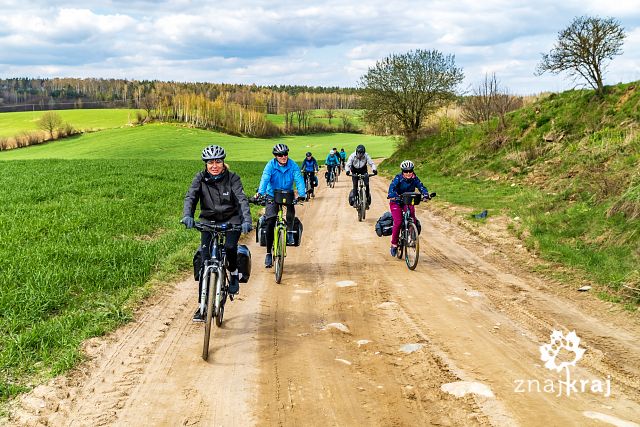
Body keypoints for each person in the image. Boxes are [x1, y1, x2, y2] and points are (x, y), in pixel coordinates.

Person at [181, 145, 253, 322]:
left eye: (218, 162)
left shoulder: (233, 178)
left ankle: (234, 273)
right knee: (205, 261)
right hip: (208, 220)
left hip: (231, 220)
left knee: (230, 247)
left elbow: (242, 200)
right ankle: (202, 306)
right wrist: (187, 216)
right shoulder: (200, 178)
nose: (214, 165)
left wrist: (246, 221)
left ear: (223, 162)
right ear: (206, 164)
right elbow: (191, 197)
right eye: (210, 162)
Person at [256, 143, 306, 267]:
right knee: (270, 220)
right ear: (275, 156)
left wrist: (302, 194)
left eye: (285, 154)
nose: (283, 157)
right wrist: (260, 193)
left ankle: (289, 233)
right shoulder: (270, 165)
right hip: (272, 194)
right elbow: (265, 178)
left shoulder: (293, 165)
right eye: (280, 155)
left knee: (290, 212)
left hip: (287, 193)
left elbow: (299, 179)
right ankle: (268, 253)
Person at [387, 160, 430, 257]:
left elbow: (421, 187)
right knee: (398, 222)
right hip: (396, 201)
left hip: (409, 201)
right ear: (402, 172)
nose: (408, 173)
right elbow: (392, 187)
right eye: (406, 171)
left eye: (410, 171)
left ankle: (412, 238)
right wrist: (392, 195)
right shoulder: (398, 178)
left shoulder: (415, 178)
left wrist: (425, 195)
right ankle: (394, 244)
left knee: (412, 218)